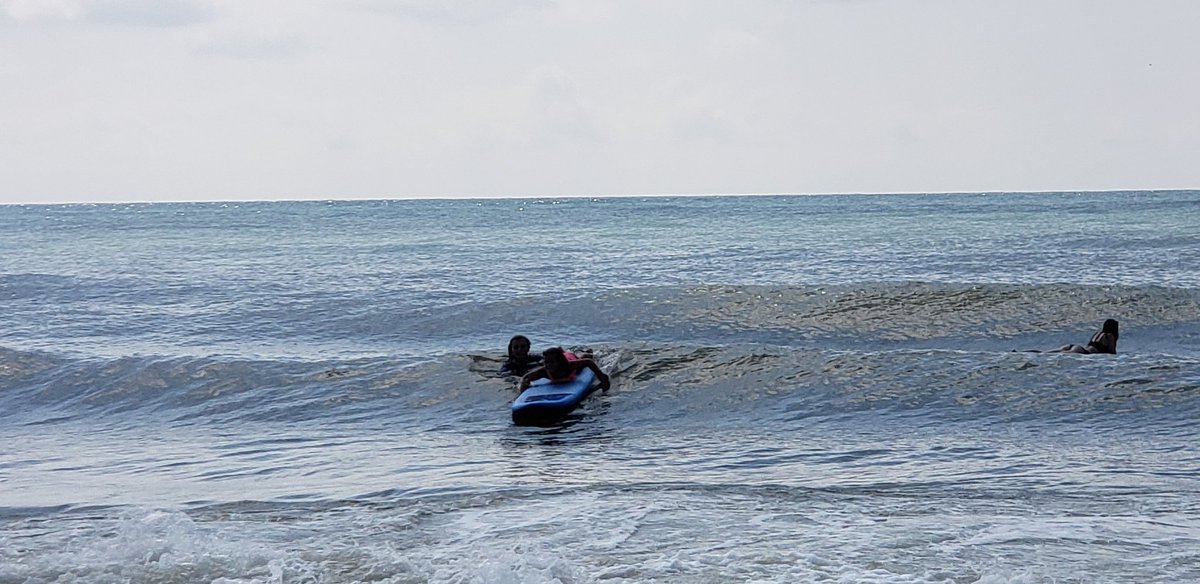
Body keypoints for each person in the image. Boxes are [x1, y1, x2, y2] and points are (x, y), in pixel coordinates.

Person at [519, 347, 611, 391]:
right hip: (561, 358)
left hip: (569, 358)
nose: (548, 365)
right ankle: (561, 351)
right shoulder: (544, 371)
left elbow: (588, 362)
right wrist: (522, 391)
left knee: (580, 356)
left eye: (551, 363)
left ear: (560, 363)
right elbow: (526, 378)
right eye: (546, 362)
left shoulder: (570, 366)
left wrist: (601, 376)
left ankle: (586, 351)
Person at [1050, 319, 1120, 354]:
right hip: (1083, 351)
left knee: (1049, 354)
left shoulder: (1098, 333)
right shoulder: (1110, 336)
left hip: (1075, 347)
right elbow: (1112, 353)